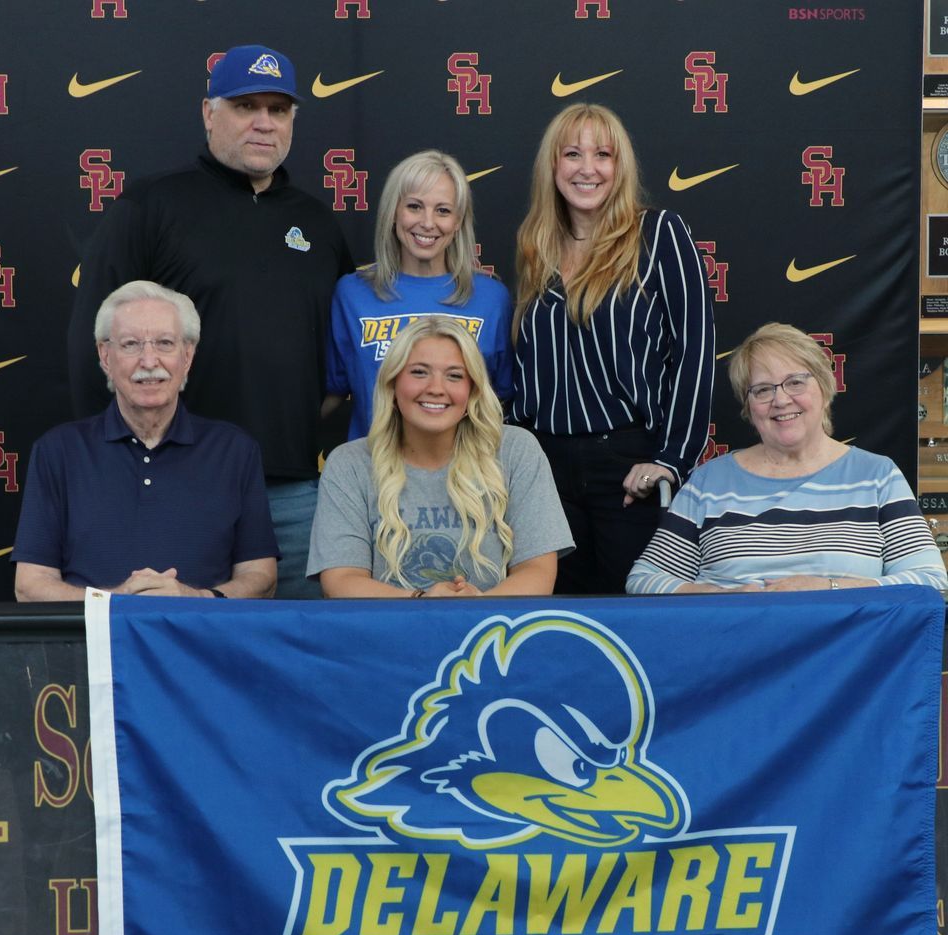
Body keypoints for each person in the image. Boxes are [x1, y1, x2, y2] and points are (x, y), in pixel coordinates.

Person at [67, 44, 353, 598]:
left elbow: (345, 358)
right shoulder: (152, 205)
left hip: (294, 493)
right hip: (180, 480)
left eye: (278, 109)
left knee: (296, 666)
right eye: (246, 106)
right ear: (209, 113)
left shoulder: (318, 223)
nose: (263, 123)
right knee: (183, 661)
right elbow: (93, 343)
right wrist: (120, 467)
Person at [511, 103, 714, 594]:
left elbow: (696, 352)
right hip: (545, 470)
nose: (588, 168)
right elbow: (523, 368)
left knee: (636, 616)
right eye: (573, 153)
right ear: (552, 165)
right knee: (556, 621)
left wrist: (671, 459)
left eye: (603, 154)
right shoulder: (535, 245)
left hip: (628, 468)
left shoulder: (659, 233)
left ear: (620, 167)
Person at [626, 323, 947, 593]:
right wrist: (720, 594)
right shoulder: (710, 481)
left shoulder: (877, 476)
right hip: (735, 656)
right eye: (762, 390)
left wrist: (829, 587)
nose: (780, 399)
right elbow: (644, 581)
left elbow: (929, 580)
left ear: (824, 386)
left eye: (795, 382)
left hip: (848, 660)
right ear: (748, 406)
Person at [14, 281, 278, 601]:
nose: (149, 361)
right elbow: (30, 586)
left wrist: (196, 599)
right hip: (96, 647)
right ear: (105, 356)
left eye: (165, 343)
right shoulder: (57, 452)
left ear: (188, 355)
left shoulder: (235, 451)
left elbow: (261, 578)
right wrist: (116, 603)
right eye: (131, 344)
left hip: (202, 645)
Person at [307, 315, 573, 597]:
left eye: (455, 375)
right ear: (393, 386)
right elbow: (341, 580)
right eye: (419, 372)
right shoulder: (349, 464)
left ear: (472, 392)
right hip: (385, 636)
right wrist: (423, 603)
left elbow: (538, 572)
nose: (436, 387)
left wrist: (476, 606)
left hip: (489, 633)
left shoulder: (517, 450)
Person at [324, 149, 513, 440]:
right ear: (393, 212)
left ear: (459, 220)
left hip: (467, 477)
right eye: (414, 206)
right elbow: (332, 391)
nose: (427, 222)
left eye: (443, 210)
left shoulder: (491, 298)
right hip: (375, 475)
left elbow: (499, 399)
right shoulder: (352, 294)